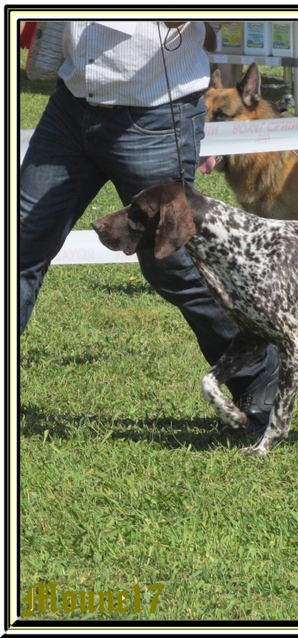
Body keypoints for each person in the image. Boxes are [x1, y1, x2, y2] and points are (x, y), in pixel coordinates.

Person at [19, 21, 279, 431]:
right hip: (71, 103)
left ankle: (259, 376)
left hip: (157, 114)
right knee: (17, 245)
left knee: (174, 266)